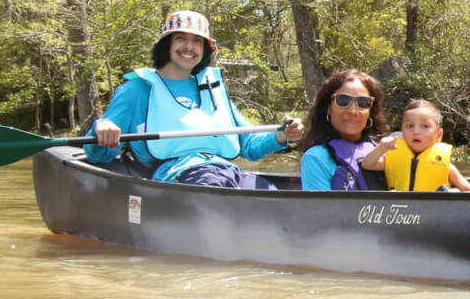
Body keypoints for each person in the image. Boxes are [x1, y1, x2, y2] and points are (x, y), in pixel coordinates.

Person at [86, 10, 304, 188]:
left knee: (270, 192)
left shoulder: (211, 88)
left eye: (197, 41)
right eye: (181, 39)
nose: (189, 47)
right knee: (212, 184)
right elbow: (99, 155)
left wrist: (282, 134)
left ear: (204, 49)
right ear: (166, 45)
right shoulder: (136, 89)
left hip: (223, 170)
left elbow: (247, 144)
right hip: (175, 176)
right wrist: (101, 128)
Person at [299, 69, 389, 191]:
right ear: (328, 108)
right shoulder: (316, 158)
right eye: (343, 100)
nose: (353, 111)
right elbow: (318, 209)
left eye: (363, 102)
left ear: (370, 111)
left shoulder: (382, 149)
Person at [360, 99, 470, 192]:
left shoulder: (445, 165)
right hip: (402, 214)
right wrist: (381, 148)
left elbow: (468, 190)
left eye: (425, 126)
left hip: (434, 213)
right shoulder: (394, 158)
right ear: (402, 131)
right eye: (409, 126)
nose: (416, 132)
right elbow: (367, 164)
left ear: (439, 134)